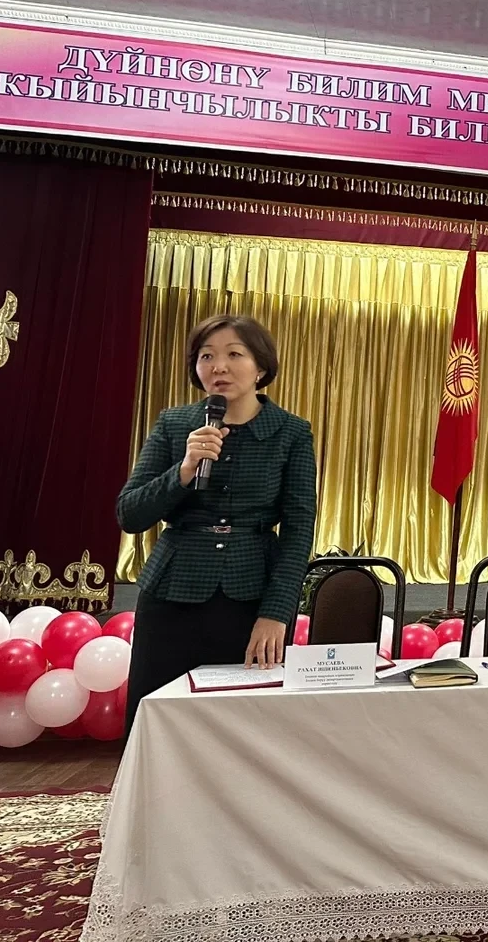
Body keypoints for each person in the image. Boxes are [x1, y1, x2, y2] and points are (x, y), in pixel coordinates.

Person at [117, 314, 317, 733]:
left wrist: (277, 613)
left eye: (234, 354)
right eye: (206, 356)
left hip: (251, 596)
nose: (218, 366)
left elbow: (299, 531)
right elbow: (130, 514)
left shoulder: (291, 432)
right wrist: (183, 470)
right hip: (171, 594)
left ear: (260, 367)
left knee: (241, 726)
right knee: (158, 721)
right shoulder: (174, 424)